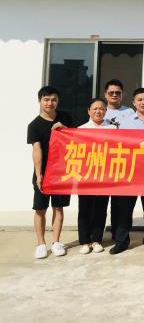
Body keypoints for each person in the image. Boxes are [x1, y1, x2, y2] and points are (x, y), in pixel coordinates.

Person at [111, 87, 144, 255]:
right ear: (133, 102)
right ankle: (122, 241)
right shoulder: (125, 121)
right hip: (130, 172)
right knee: (125, 208)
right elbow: (119, 145)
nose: (143, 102)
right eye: (140, 99)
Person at [27, 86, 72, 259]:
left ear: (58, 101)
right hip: (43, 173)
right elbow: (36, 150)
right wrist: (39, 175)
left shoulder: (65, 117)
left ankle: (56, 242)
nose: (50, 103)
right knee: (40, 208)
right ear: (39, 101)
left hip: (62, 172)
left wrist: (65, 128)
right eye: (46, 99)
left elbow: (76, 139)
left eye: (53, 100)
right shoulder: (34, 125)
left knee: (58, 207)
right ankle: (41, 244)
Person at [77, 98, 115, 254]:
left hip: (104, 175)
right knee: (84, 208)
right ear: (88, 111)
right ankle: (85, 241)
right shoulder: (81, 129)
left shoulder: (112, 128)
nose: (98, 111)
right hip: (85, 175)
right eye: (95, 108)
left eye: (101, 108)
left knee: (100, 208)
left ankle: (97, 239)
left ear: (106, 111)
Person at [103, 79, 132, 242]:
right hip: (104, 161)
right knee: (101, 200)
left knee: (120, 201)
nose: (114, 95)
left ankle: (119, 233)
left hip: (124, 161)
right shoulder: (100, 110)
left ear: (123, 94)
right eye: (111, 92)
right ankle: (97, 235)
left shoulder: (129, 112)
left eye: (118, 93)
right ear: (105, 94)